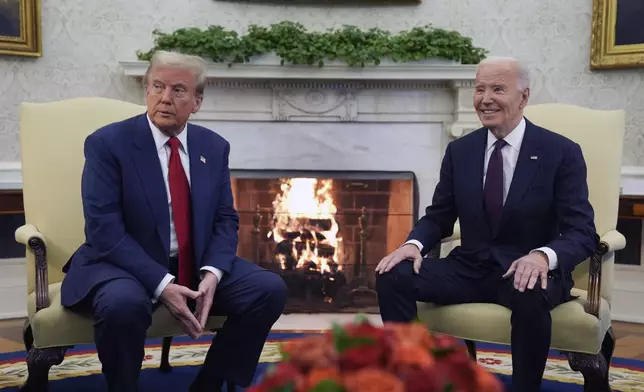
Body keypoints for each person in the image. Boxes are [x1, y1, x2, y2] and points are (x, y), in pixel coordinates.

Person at [60, 50, 287, 392]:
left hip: (191, 261)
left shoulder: (213, 146)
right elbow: (103, 229)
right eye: (157, 86)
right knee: (123, 304)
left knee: (267, 289)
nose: (165, 98)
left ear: (197, 101)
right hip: (122, 265)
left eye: (179, 90)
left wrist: (213, 272)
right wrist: (162, 283)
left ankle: (209, 384)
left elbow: (225, 219)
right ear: (147, 90)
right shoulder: (107, 144)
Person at [375, 56, 598, 392]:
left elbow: (582, 231)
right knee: (392, 274)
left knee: (529, 289)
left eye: (497, 88)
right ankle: (410, 379)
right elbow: (439, 216)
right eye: (480, 89)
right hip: (470, 267)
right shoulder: (460, 151)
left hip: (527, 271)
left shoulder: (560, 152)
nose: (485, 98)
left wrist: (541, 256)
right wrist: (412, 245)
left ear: (523, 97)